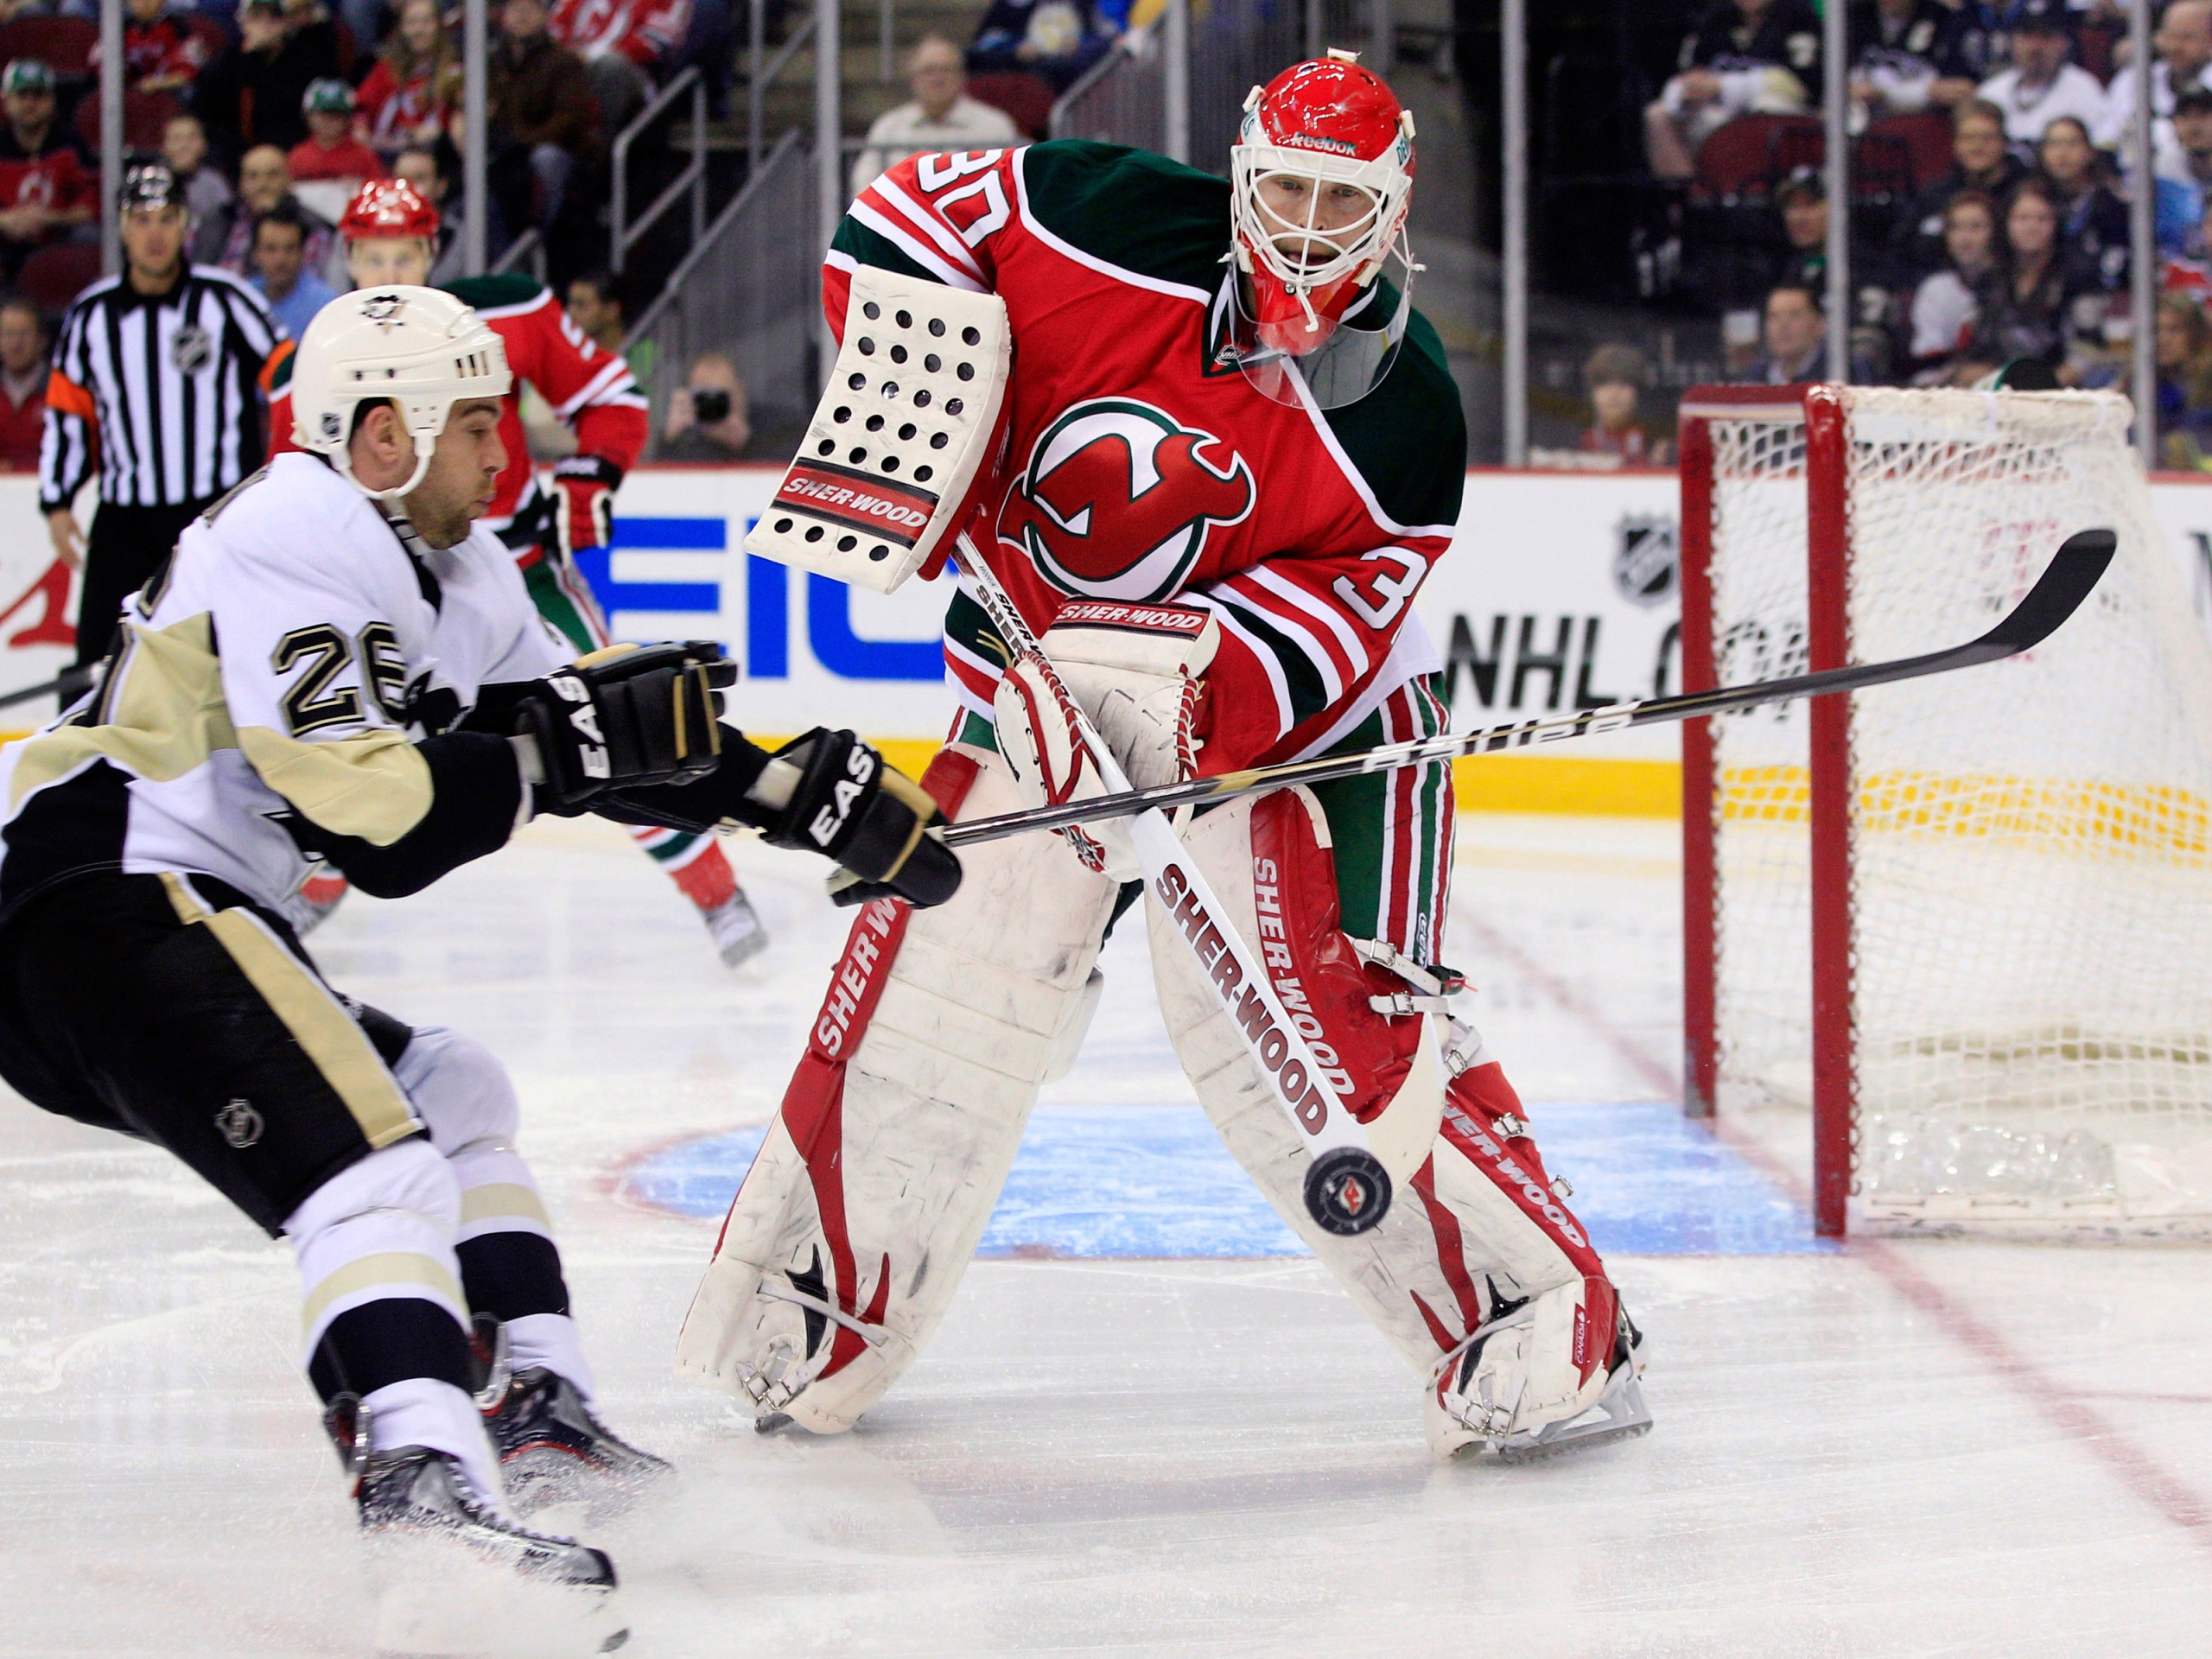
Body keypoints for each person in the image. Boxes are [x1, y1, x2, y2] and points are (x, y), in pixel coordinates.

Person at [679, 53, 1651, 1465]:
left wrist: (1167, 693)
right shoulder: (1105, 213)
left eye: (1343, 201)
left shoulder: (1407, 407)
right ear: (1240, 176)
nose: (1310, 229)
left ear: (1396, 209)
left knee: (1296, 1018)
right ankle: (817, 1301)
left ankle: (1550, 1315)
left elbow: (1323, 632)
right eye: (1288, 192)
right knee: (948, 967)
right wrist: (930, 401)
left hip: (1310, 747)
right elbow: (903, 220)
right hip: (1040, 689)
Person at [0, 283, 958, 1624]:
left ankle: (534, 1415)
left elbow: (587, 738)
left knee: (456, 1096)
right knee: (370, 1161)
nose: (509, 450)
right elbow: (377, 817)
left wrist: (789, 791)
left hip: (175, 915)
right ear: (381, 437)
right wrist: (567, 747)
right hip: (93, 904)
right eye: (477, 421)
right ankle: (419, 1483)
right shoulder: (297, 523)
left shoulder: (460, 567)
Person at [267, 179, 777, 967]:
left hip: (522, 567)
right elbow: (289, 487)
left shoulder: (502, 315)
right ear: (347, 258)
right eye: (373, 257)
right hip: (385, 588)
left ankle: (715, 893)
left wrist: (589, 474)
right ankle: (314, 894)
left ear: (431, 254)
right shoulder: (312, 364)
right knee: (361, 752)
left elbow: (610, 396)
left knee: (621, 724)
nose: (390, 272)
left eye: (405, 254)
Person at [41, 165, 282, 688]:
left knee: (230, 660)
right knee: (100, 669)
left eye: (167, 218)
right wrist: (58, 501)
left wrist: (286, 479)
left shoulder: (225, 299)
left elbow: (287, 380)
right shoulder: (91, 316)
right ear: (123, 229)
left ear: (186, 225)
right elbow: (67, 412)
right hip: (124, 520)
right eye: (142, 219)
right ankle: (93, 767)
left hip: (213, 516)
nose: (155, 233)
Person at [1644, 0, 1826, 183]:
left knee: (1766, 108)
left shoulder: (1799, 17)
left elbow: (1804, 86)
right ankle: (1689, 198)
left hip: (1781, 115)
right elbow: (1688, 74)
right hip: (1719, 115)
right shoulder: (1717, 18)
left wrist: (1723, 87)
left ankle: (1766, 198)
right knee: (1658, 115)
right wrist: (1687, 91)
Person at [1959, 177, 2101, 382]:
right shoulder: (1991, 279)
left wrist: (2044, 387)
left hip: (2061, 388)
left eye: (2042, 219)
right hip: (2001, 386)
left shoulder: (2079, 276)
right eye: (2022, 218)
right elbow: (1980, 345)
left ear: (2056, 223)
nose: (2031, 227)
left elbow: (2089, 351)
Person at [850, 35, 1020, 197]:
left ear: (962, 76)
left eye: (946, 69)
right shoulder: (888, 127)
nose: (937, 78)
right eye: (928, 70)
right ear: (914, 78)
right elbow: (864, 187)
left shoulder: (995, 126)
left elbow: (1012, 188)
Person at [489, 0, 601, 244]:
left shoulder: (564, 62)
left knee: (546, 158)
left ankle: (538, 237)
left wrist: (524, 143)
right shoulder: (492, 63)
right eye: (515, 8)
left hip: (554, 153)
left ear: (545, 15)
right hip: (505, 154)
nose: (522, 15)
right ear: (503, 15)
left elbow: (569, 118)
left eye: (531, 9)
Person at [193, 0, 345, 158]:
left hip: (297, 153)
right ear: (243, 23)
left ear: (286, 21)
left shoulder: (306, 58)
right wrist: (250, 58)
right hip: (239, 155)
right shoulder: (229, 63)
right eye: (257, 17)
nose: (266, 25)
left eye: (274, 17)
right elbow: (207, 112)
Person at [1894, 97, 2026, 278]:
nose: (1977, 147)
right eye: (1968, 138)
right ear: (1955, 144)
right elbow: (1904, 250)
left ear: (2004, 142)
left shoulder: (2025, 193)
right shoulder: (1934, 195)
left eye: (1987, 138)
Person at [0, 60, 93, 283]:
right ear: (5, 101)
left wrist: (51, 218)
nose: (30, 104)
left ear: (52, 100)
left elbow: (92, 208)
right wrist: (5, 220)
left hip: (60, 243)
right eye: (22, 96)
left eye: (38, 96)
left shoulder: (72, 147)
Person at [545, 0, 691, 137]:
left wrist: (588, 56)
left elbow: (656, 43)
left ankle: (598, 146)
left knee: (610, 65)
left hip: (638, 75)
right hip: (573, 71)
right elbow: (552, 33)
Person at [1974, 0, 2107, 147]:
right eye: (2026, 35)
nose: (2035, 46)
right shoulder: (1991, 92)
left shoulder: (2085, 89)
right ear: (2012, 42)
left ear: (2063, 42)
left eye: (2046, 36)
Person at [202, 144, 336, 277]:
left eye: (272, 175)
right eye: (253, 176)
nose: (262, 184)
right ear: (241, 183)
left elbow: (310, 282)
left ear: (289, 180)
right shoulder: (221, 219)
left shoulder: (312, 226)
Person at [1907, 188, 1999, 381]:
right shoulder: (1936, 289)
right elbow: (1928, 361)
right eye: (1956, 228)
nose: (1965, 238)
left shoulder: (2014, 287)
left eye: (1976, 227)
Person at [355, 0, 462, 162]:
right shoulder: (384, 71)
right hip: (386, 163)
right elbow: (360, 114)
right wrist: (362, 133)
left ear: (439, 26)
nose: (419, 30)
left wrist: (437, 134)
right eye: (412, 23)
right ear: (400, 28)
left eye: (427, 22)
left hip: (436, 162)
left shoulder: (454, 74)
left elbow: (460, 129)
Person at [2096, 0, 2212, 149]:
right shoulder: (2132, 79)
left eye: (2186, 38)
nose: (2174, 46)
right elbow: (2105, 138)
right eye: (2169, 36)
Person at [1847, 0, 1987, 121]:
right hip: (1860, 123)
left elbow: (1962, 89)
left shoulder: (1944, 18)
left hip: (1924, 126)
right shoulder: (1854, 18)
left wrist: (1887, 94)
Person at [2037, 113, 2129, 289]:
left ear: (2089, 152)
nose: (2062, 153)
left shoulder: (2112, 205)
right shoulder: (2032, 201)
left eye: (2072, 144)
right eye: (2054, 144)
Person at [653, 351, 798, 461]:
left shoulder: (777, 426)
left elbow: (784, 471)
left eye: (721, 397)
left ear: (740, 392)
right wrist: (670, 439)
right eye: (704, 398)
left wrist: (745, 443)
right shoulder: (689, 440)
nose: (713, 405)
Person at [965, 0, 1113, 93]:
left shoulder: (1085, 4)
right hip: (1024, 67)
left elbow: (1105, 36)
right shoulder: (1012, 5)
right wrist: (1015, 48)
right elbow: (985, 39)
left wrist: (1081, 44)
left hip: (1072, 71)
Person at [249, 200, 336, 338]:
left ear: (302, 252)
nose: (281, 260)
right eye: (271, 249)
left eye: (290, 249)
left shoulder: (325, 306)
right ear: (255, 254)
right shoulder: (244, 297)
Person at [1579, 343, 1669, 465]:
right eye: (1605, 384)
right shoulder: (1577, 439)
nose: (1614, 393)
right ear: (1592, 392)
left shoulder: (1654, 439)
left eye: (1623, 385)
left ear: (1637, 392)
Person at [288, 79, 386, 188]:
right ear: (309, 116)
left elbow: (377, 190)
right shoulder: (297, 157)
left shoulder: (364, 157)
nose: (330, 120)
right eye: (324, 114)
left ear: (348, 118)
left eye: (337, 114)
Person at [392, 143, 467, 285]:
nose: (408, 188)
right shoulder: (362, 235)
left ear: (441, 186)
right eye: (400, 179)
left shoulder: (463, 237)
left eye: (418, 178)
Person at [105, 0, 210, 96]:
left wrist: (158, 83)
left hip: (171, 96)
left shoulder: (179, 27)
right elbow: (98, 70)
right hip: (127, 97)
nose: (144, 3)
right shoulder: (119, 28)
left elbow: (190, 73)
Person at [1738, 280, 1833, 383]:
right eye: (1774, 316)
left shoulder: (1840, 372)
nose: (1782, 326)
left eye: (1794, 315)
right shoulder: (1752, 379)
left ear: (1820, 324)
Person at [161, 111, 234, 228]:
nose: (184, 145)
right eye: (176, 139)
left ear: (204, 145)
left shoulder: (215, 184)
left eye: (191, 138)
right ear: (164, 147)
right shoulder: (153, 182)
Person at [0, 294, 47, 467]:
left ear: (42, 340)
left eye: (24, 334)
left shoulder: (63, 391)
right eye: (8, 334)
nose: (15, 344)